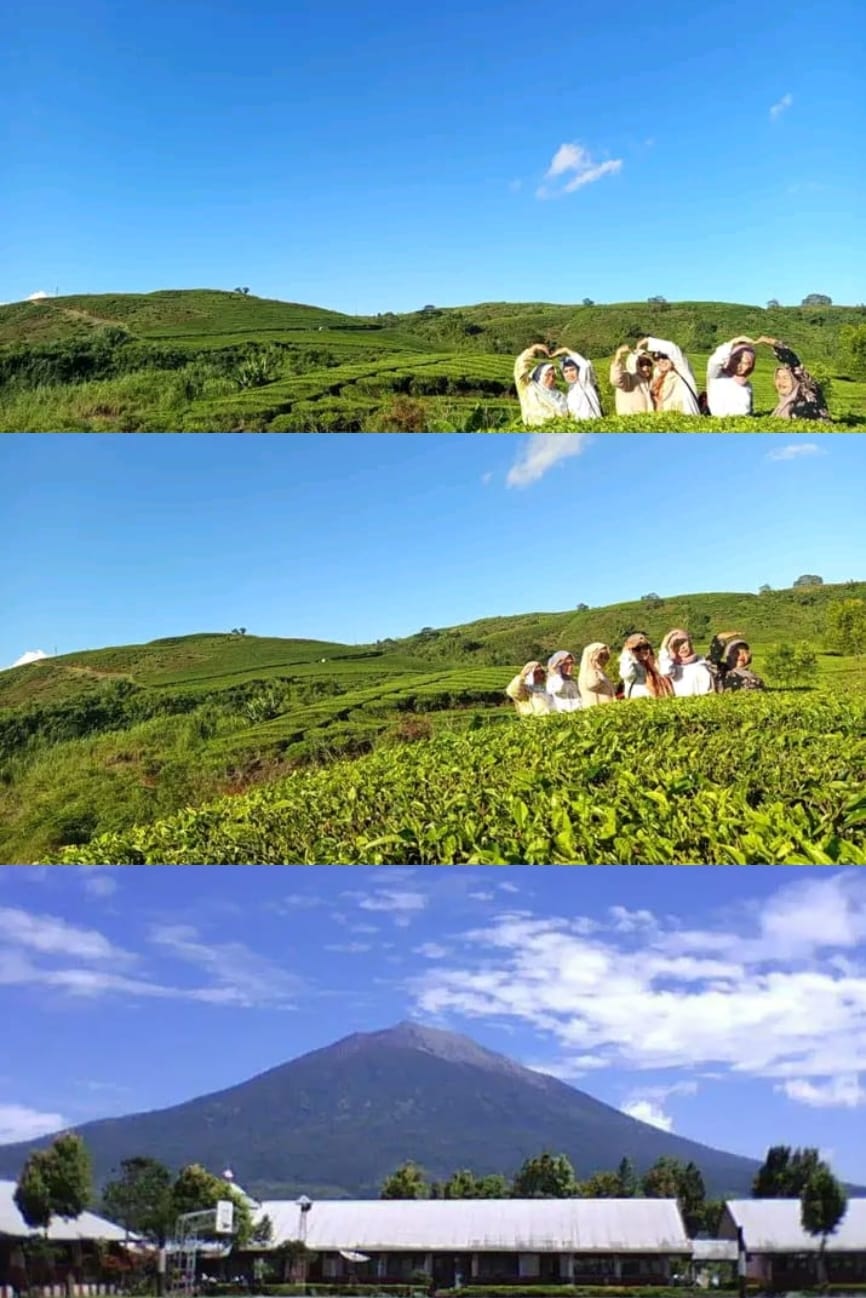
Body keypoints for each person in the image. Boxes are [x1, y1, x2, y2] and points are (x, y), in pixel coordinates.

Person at [706, 334, 777, 416]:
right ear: (730, 358)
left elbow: (749, 409)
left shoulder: (747, 384)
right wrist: (732, 342)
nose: (739, 364)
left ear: (751, 366)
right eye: (737, 359)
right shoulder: (718, 375)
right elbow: (715, 361)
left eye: (746, 363)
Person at [636, 336, 701, 415]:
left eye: (664, 357)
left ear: (672, 358)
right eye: (657, 359)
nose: (661, 361)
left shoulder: (683, 372)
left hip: (687, 420)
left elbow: (672, 349)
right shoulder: (656, 378)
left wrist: (647, 341)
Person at [770, 341, 831, 420]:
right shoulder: (780, 407)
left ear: (795, 380)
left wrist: (774, 343)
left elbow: (795, 365)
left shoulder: (809, 397)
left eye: (785, 378)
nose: (781, 382)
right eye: (778, 377)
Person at [513, 343, 568, 425]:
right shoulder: (528, 387)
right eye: (547, 375)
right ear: (539, 375)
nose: (551, 378)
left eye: (554, 376)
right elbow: (519, 369)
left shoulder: (560, 395)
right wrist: (533, 349)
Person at [551, 347, 603, 419]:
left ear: (578, 370)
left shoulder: (584, 382)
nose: (569, 374)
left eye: (572, 370)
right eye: (566, 371)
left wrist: (566, 350)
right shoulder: (570, 390)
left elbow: (585, 365)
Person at [618, 634, 673, 699]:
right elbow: (626, 674)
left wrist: (664, 646)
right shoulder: (631, 666)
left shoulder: (654, 664)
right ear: (630, 651)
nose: (642, 651)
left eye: (645, 647)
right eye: (637, 649)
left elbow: (667, 672)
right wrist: (626, 651)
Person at [664, 632, 715, 696]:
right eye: (676, 645)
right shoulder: (673, 667)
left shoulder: (702, 661)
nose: (682, 647)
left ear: (690, 643)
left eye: (683, 642)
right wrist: (664, 645)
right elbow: (665, 671)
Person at [609, 345, 654, 415]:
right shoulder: (628, 378)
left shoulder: (651, 380)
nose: (646, 367)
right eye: (641, 364)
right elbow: (616, 379)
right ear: (633, 363)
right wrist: (618, 356)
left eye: (648, 363)